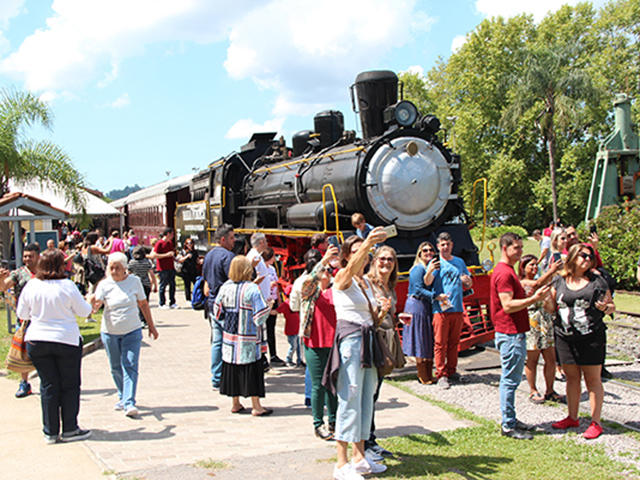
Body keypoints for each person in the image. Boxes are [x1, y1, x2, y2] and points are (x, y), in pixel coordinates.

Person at [323, 229, 389, 480]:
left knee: (365, 398)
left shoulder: (365, 284)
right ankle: (341, 463)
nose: (363, 256)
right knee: (349, 398)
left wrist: (382, 312)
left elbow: (371, 318)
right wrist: (369, 242)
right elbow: (348, 271)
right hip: (351, 342)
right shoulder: (342, 276)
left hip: (368, 340)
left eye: (365, 252)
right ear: (347, 257)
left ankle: (359, 456)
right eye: (356, 252)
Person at [17, 249, 93, 444]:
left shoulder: (31, 285)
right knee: (69, 385)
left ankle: (50, 431)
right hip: (65, 339)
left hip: (38, 339)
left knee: (48, 385)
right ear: (61, 265)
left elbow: (22, 314)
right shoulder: (67, 286)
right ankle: (70, 428)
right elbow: (84, 312)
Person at [544, 243, 614, 440]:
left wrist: (606, 308)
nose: (587, 259)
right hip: (565, 338)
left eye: (590, 257)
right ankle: (572, 417)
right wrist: (544, 299)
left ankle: (595, 422)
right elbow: (550, 308)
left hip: (591, 337)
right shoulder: (560, 281)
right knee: (572, 378)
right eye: (583, 255)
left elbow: (611, 305)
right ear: (573, 257)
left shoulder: (597, 281)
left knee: (593, 380)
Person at [490, 233, 551, 440]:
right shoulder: (504, 273)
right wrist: (534, 298)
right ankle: (508, 425)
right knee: (510, 380)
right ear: (505, 248)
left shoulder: (507, 271)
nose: (521, 251)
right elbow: (507, 305)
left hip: (512, 331)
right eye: (517, 248)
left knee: (511, 379)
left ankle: (512, 419)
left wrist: (528, 296)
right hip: (510, 332)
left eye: (521, 247)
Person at [89, 252, 159, 417]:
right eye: (111, 268)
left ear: (125, 268)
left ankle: (129, 402)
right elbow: (97, 302)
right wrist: (92, 302)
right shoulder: (105, 284)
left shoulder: (134, 282)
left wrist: (151, 326)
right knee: (115, 366)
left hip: (132, 331)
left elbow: (143, 304)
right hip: (110, 332)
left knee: (130, 364)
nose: (114, 271)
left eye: (117, 268)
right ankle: (122, 395)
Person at [213, 256, 272, 416]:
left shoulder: (225, 287)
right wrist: (269, 306)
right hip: (248, 339)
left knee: (232, 370)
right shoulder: (252, 289)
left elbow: (217, 312)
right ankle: (256, 406)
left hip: (230, 339)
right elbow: (260, 315)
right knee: (251, 370)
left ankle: (235, 403)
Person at [364, 245, 404, 459]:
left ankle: (370, 438)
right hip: (372, 342)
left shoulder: (390, 286)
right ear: (374, 261)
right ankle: (366, 441)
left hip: (386, 340)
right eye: (382, 259)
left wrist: (398, 317)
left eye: (390, 259)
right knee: (369, 391)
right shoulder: (368, 285)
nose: (386, 263)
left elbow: (389, 313)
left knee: (375, 391)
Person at [299, 245, 339, 440]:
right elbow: (308, 282)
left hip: (333, 343)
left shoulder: (336, 291)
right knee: (318, 386)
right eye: (324, 270)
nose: (327, 273)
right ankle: (318, 423)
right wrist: (323, 261)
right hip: (314, 343)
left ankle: (334, 420)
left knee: (332, 384)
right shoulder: (310, 292)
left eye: (329, 270)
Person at [425, 232, 473, 389]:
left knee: (454, 342)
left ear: (452, 245)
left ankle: (452, 370)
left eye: (448, 244)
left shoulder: (459, 262)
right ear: (438, 246)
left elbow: (469, 283)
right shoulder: (436, 263)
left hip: (457, 307)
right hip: (440, 309)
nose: (445, 247)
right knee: (440, 343)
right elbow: (427, 283)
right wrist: (429, 269)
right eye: (442, 245)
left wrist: (468, 281)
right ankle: (441, 374)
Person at [518, 254, 564, 405]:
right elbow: (536, 284)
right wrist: (551, 271)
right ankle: (533, 390)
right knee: (532, 359)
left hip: (545, 322)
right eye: (531, 265)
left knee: (550, 359)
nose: (534, 267)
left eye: (536, 264)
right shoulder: (522, 282)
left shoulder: (543, 282)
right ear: (523, 267)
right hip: (532, 323)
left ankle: (550, 390)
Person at [0, 243, 41, 397]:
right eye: (25, 256)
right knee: (23, 353)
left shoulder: (45, 272)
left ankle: (45, 382)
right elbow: (4, 287)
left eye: (30, 256)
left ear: (38, 256)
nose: (27, 259)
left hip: (42, 318)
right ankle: (24, 383)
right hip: (24, 321)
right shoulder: (18, 273)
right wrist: (0, 279)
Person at [202, 224, 236, 390]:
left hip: (213, 303)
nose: (234, 240)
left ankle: (216, 377)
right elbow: (234, 280)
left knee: (217, 342)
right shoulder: (228, 256)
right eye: (231, 238)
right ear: (223, 239)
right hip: (227, 306)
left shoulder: (209, 256)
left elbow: (206, 279)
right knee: (230, 342)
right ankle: (228, 377)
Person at [403, 241, 438, 385]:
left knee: (427, 338)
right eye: (425, 251)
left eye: (431, 250)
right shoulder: (418, 269)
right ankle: (422, 373)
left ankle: (429, 373)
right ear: (419, 254)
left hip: (425, 305)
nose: (428, 252)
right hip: (416, 305)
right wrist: (435, 296)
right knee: (419, 338)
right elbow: (418, 290)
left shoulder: (430, 268)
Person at [247, 233, 282, 365]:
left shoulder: (257, 256)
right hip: (259, 300)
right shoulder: (254, 257)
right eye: (266, 241)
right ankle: (260, 358)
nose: (267, 242)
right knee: (259, 330)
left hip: (263, 299)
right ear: (261, 242)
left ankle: (263, 357)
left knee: (262, 331)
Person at [127, 246, 158, 326]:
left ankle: (138, 319)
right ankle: (144, 319)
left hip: (135, 285)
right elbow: (152, 274)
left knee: (136, 302)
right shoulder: (146, 262)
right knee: (145, 302)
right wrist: (155, 285)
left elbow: (128, 274)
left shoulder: (131, 262)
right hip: (146, 284)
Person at [150, 228, 177, 309]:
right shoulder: (159, 243)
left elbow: (171, 254)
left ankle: (172, 302)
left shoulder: (170, 243)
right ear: (168, 234)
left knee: (172, 285)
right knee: (163, 285)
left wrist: (176, 259)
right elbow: (154, 255)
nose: (173, 236)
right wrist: (166, 255)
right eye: (172, 234)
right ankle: (162, 303)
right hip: (162, 268)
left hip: (171, 267)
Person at [176, 238, 199, 303]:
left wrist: (200, 261)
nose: (189, 245)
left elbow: (197, 260)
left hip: (194, 270)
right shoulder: (183, 251)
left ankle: (196, 298)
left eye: (190, 243)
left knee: (196, 284)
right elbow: (179, 260)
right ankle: (188, 299)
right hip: (186, 271)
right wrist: (186, 256)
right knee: (187, 285)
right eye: (187, 243)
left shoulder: (195, 252)